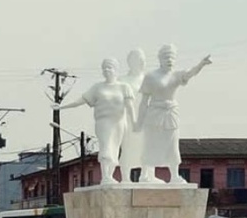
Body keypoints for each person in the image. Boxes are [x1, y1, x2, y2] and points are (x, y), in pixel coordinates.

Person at [133, 44, 211, 184]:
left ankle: (174, 175)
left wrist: (201, 64)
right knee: (150, 144)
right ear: (160, 59)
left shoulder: (176, 75)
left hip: (171, 113)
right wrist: (139, 122)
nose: (169, 60)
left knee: (172, 145)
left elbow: (190, 73)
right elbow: (144, 102)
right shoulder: (150, 77)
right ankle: (145, 174)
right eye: (166, 57)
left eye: (172, 58)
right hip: (154, 114)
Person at [53, 58, 136, 185]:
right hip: (104, 122)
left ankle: (110, 175)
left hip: (119, 123)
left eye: (110, 67)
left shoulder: (124, 87)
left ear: (116, 70)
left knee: (115, 149)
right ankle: (105, 176)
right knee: (106, 146)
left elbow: (130, 107)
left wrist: (135, 122)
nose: (107, 70)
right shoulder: (98, 87)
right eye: (104, 68)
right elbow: (80, 101)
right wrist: (61, 107)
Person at [118, 48, 147, 183]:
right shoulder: (122, 80)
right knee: (127, 148)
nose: (139, 62)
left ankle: (146, 175)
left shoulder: (147, 79)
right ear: (129, 61)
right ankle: (125, 177)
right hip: (128, 120)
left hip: (145, 119)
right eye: (135, 59)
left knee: (147, 147)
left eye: (141, 59)